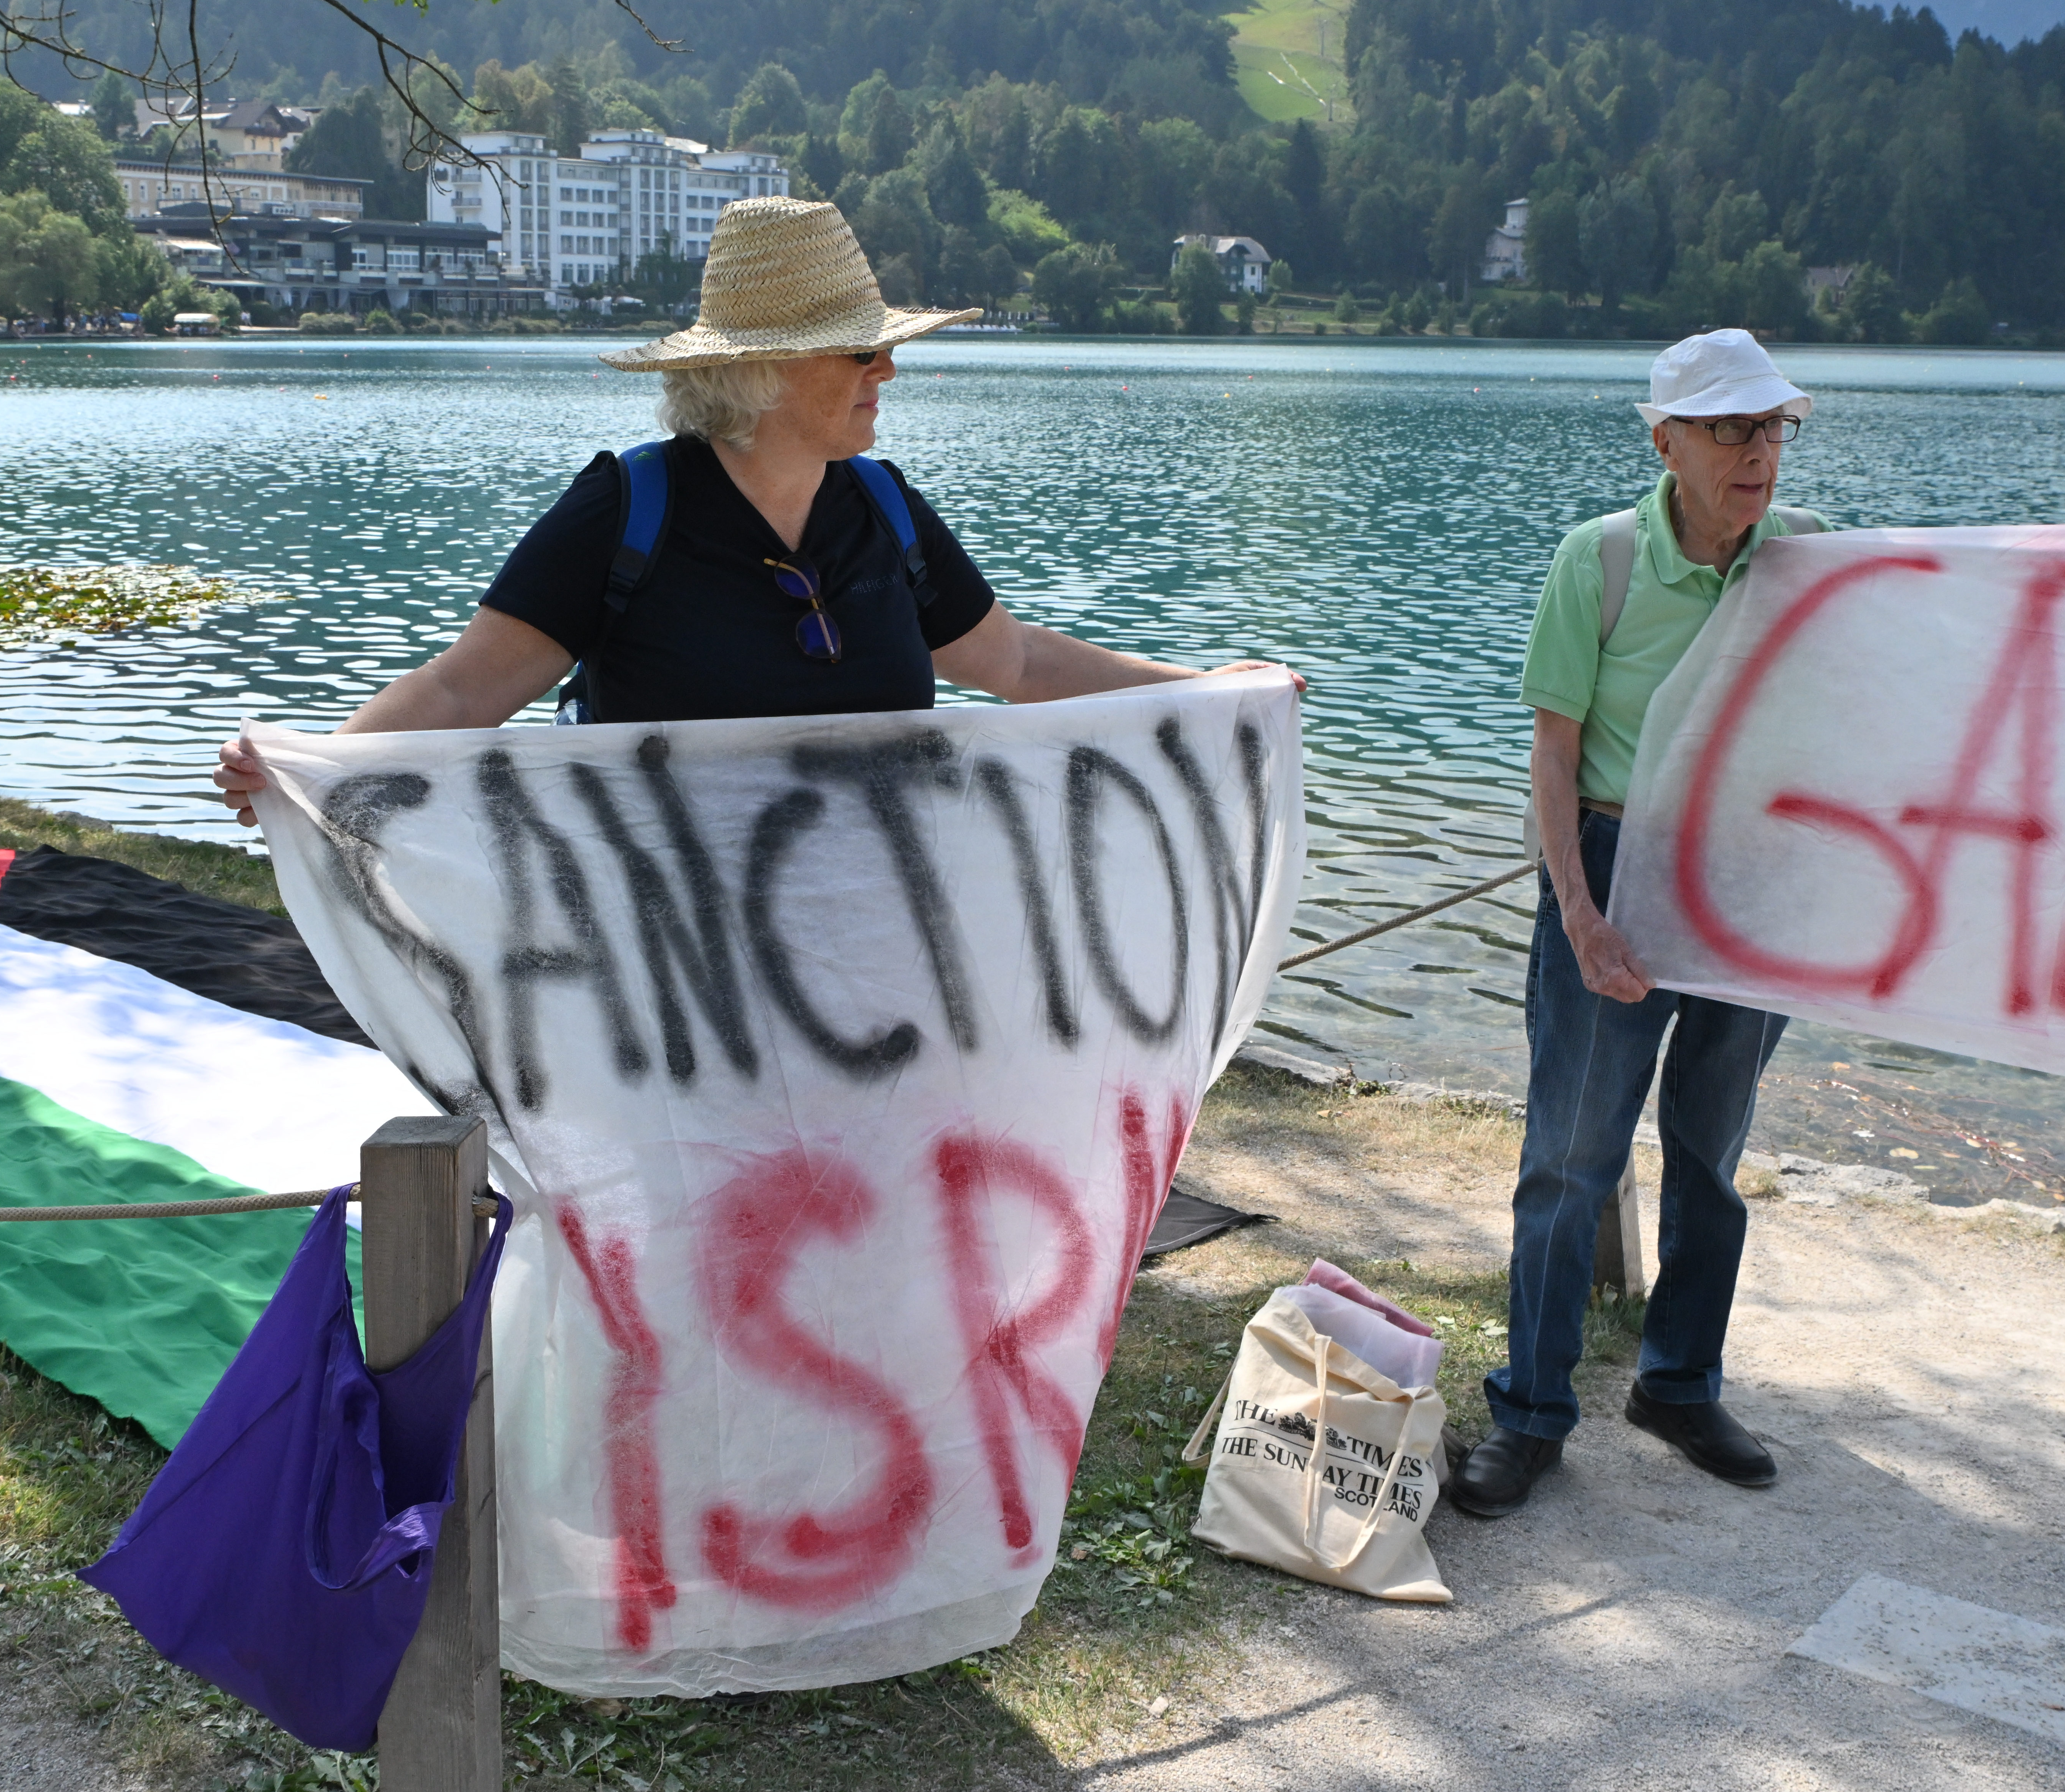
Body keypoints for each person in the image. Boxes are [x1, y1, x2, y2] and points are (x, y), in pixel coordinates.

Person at [214, 196, 1284, 817]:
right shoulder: (626, 510)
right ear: (767, 369)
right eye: (862, 351)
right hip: (665, 983)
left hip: (876, 955)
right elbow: (459, 696)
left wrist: (1210, 692)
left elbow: (1018, 667)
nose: (887, 373)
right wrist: (308, 770)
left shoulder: (883, 507)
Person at [1450, 327, 1831, 1519]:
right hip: (1614, 860)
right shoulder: (1599, 561)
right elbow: (1553, 755)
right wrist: (1582, 915)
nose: (1757, 454)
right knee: (1569, 1154)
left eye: (1772, 428)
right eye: (1729, 430)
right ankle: (1531, 1411)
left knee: (1712, 1152)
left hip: (1750, 879)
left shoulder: (1814, 562)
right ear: (1665, 442)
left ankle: (1678, 1382)